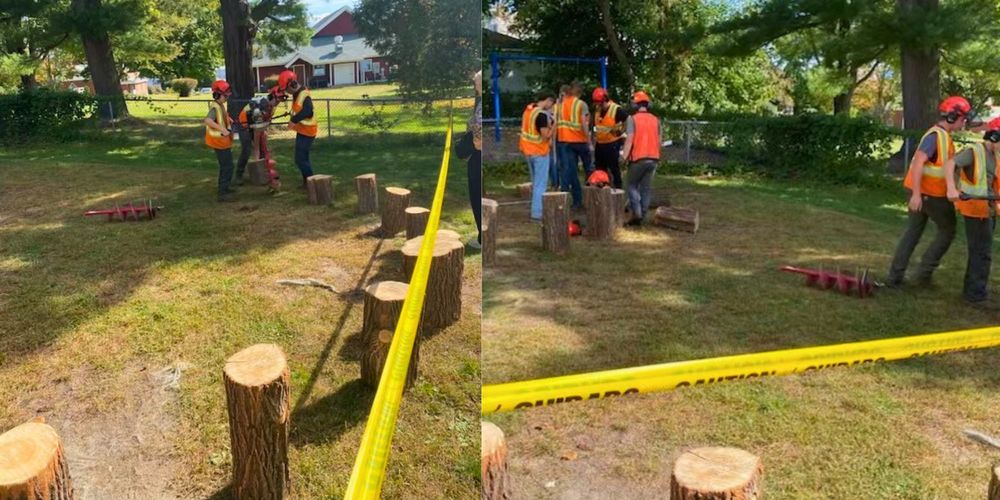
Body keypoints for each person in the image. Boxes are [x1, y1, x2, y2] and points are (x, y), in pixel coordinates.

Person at [886, 96, 971, 287]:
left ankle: (895, 277)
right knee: (947, 230)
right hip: (930, 194)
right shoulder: (935, 137)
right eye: (962, 118)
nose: (964, 122)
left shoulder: (942, 136)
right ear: (952, 117)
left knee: (913, 232)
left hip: (924, 192)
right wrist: (916, 195)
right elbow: (917, 162)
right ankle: (923, 274)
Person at [945, 117, 1000, 307]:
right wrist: (951, 189)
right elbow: (950, 164)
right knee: (982, 253)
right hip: (976, 210)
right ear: (994, 137)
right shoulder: (975, 152)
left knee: (980, 251)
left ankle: (973, 290)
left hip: (989, 210)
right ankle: (975, 295)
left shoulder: (995, 155)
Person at [620, 91, 661, 226]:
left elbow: (630, 139)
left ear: (635, 105)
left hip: (638, 158)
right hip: (653, 159)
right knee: (646, 188)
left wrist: (624, 157)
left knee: (631, 185)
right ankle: (642, 215)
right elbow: (659, 141)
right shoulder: (656, 120)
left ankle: (636, 213)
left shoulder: (633, 119)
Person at [519, 91, 556, 221]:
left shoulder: (528, 111)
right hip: (539, 152)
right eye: (551, 103)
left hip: (528, 151)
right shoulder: (541, 115)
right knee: (541, 184)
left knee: (536, 183)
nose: (551, 106)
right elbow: (545, 135)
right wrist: (554, 125)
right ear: (548, 100)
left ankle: (536, 209)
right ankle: (537, 213)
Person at [277, 70, 317, 188]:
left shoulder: (304, 94)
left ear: (292, 84)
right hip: (302, 130)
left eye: (286, 89)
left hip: (308, 131)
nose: (286, 92)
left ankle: (312, 183)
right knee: (302, 158)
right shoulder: (296, 94)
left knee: (300, 159)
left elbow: (307, 111)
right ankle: (307, 182)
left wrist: (293, 120)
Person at [556, 82, 592, 208]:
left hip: (564, 141)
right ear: (580, 92)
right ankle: (592, 196)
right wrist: (589, 141)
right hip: (580, 141)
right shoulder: (581, 104)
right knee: (589, 169)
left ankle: (572, 200)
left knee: (570, 171)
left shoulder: (559, 105)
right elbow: (584, 124)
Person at [234, 90, 281, 186]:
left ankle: (264, 173)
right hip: (244, 125)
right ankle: (238, 176)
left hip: (255, 124)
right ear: (272, 98)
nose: (279, 102)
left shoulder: (271, 106)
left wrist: (264, 132)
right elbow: (257, 132)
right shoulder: (258, 108)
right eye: (278, 100)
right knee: (247, 149)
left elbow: (266, 121)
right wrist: (257, 148)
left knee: (263, 149)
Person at [204, 80, 237, 202]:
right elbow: (208, 120)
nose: (227, 97)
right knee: (227, 166)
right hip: (218, 141)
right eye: (225, 95)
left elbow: (221, 116)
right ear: (217, 94)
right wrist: (222, 129)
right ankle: (222, 193)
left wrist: (229, 119)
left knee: (228, 166)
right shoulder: (214, 106)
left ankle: (225, 188)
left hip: (223, 141)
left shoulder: (220, 105)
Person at [591, 87, 629, 189]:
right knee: (600, 169)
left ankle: (618, 189)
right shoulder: (598, 110)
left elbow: (627, 119)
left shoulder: (616, 109)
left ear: (604, 100)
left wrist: (621, 131)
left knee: (614, 168)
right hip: (600, 144)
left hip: (612, 143)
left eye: (598, 103)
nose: (597, 105)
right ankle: (603, 188)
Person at [468, 70, 484, 249]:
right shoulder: (479, 103)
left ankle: (482, 238)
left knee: (476, 194)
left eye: (476, 82)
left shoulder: (480, 106)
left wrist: (473, 144)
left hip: (478, 155)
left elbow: (479, 141)